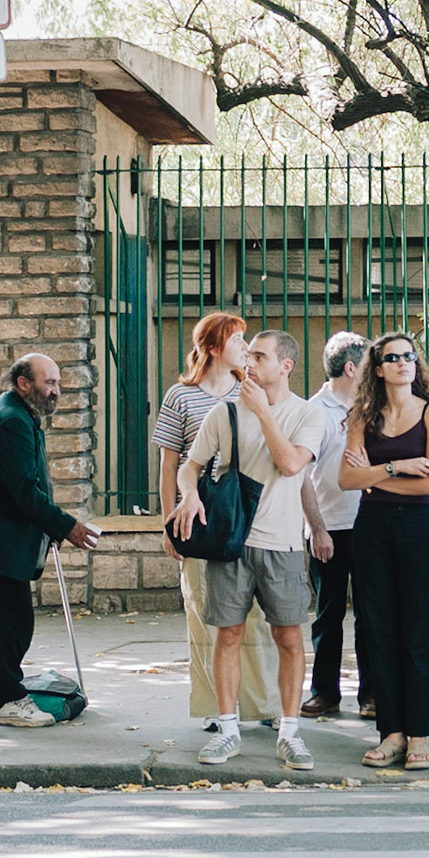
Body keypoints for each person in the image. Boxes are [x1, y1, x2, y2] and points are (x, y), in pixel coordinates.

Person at [171, 331, 327, 771]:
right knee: (228, 636)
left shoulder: (306, 414)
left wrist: (262, 412)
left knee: (289, 638)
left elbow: (292, 464)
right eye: (250, 355)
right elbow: (190, 465)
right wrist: (190, 495)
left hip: (283, 545)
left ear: (286, 366)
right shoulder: (225, 412)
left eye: (260, 356)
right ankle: (228, 729)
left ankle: (291, 733)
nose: (250, 363)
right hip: (232, 543)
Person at [0, 353, 100, 727]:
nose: (56, 391)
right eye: (48, 382)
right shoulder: (10, 422)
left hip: (0, 543)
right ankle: (5, 701)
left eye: (57, 383)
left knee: (0, 625)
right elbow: (24, 491)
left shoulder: (17, 415)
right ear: (23, 383)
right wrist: (66, 525)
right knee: (5, 626)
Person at [154, 313, 281, 728]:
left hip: (247, 514)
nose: (245, 347)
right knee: (204, 613)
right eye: (237, 339)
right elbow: (169, 463)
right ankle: (215, 707)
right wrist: (167, 521)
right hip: (200, 515)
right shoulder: (181, 396)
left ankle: (262, 705)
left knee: (255, 616)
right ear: (211, 347)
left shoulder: (254, 391)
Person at [341, 333, 429, 771]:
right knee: (379, 629)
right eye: (393, 358)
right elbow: (346, 481)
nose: (404, 363)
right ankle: (392, 733)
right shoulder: (362, 415)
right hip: (372, 528)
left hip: (416, 527)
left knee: (416, 630)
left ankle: (419, 732)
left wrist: (373, 475)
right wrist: (396, 466)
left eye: (409, 356)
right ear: (378, 368)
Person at [301, 331, 369, 718]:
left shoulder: (369, 407)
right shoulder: (316, 411)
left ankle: (371, 693)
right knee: (328, 615)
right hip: (331, 528)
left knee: (369, 613)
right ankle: (324, 692)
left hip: (369, 526)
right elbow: (302, 477)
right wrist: (318, 528)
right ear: (349, 368)